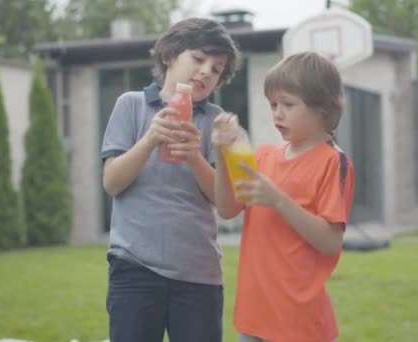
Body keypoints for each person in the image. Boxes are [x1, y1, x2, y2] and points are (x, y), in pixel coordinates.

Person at [100, 17, 240, 342]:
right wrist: (150, 139)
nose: (206, 71)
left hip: (199, 274)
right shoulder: (131, 106)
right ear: (169, 56)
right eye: (199, 58)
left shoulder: (217, 123)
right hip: (134, 267)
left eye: (216, 68)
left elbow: (226, 202)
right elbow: (112, 182)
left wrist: (193, 154)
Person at [212, 51, 355, 342]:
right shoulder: (263, 157)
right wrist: (220, 151)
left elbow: (330, 242)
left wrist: (278, 200)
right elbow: (226, 209)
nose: (277, 113)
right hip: (253, 318)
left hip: (300, 325)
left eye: (288, 104)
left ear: (323, 108)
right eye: (273, 104)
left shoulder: (333, 162)